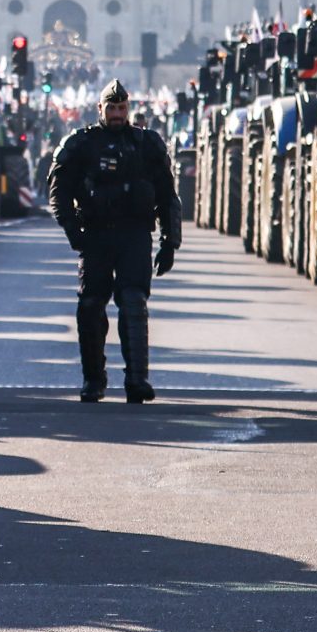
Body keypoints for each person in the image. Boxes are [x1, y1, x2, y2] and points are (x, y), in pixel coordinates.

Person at [49, 80, 181, 403]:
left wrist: (170, 241)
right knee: (91, 306)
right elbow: (58, 190)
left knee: (134, 302)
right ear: (100, 110)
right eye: (112, 108)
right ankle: (94, 380)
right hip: (95, 234)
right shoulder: (82, 144)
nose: (118, 114)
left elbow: (167, 194)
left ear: (129, 109)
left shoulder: (146, 144)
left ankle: (137, 380)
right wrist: (72, 232)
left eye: (122, 108)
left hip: (134, 234)